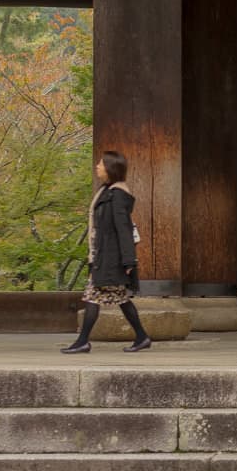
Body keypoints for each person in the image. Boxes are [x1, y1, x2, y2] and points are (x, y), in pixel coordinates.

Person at [62, 149, 153, 353]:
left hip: (111, 258)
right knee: (121, 299)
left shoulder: (118, 195)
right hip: (104, 255)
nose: (97, 166)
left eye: (101, 164)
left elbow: (124, 228)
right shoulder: (106, 191)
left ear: (110, 168)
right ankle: (142, 337)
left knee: (93, 296)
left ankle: (83, 341)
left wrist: (129, 261)